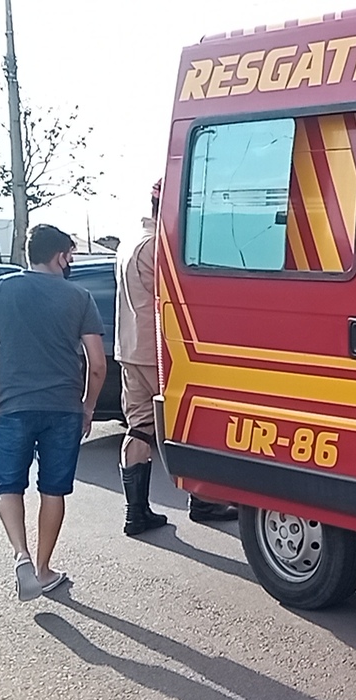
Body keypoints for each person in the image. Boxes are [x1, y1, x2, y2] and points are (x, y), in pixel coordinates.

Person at [0, 224, 105, 601]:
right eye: (70, 255)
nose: (71, 261)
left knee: (8, 485)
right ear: (60, 256)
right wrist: (88, 407)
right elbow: (98, 363)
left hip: (12, 406)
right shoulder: (80, 296)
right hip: (63, 409)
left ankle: (20, 554)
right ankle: (42, 569)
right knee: (53, 491)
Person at [116, 179, 238, 536]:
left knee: (139, 426)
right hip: (159, 350)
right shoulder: (156, 246)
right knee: (196, 421)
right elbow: (173, 297)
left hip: (129, 349)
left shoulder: (129, 241)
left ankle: (135, 512)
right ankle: (202, 501)